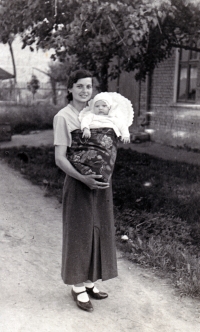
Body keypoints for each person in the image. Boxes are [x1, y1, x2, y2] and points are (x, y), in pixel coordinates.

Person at [53, 70, 118, 312]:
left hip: (100, 182)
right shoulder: (64, 117)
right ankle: (78, 287)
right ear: (70, 88)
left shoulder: (96, 112)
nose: (84, 91)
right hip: (79, 182)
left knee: (99, 230)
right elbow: (60, 159)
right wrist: (84, 178)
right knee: (80, 234)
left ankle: (91, 282)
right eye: (79, 86)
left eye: (88, 87)